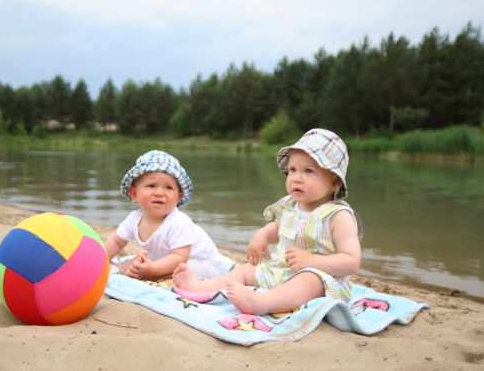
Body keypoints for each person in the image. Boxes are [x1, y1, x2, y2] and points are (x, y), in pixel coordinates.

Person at [173, 128, 362, 315]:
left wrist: (312, 261)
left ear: (334, 182)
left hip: (321, 279)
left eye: (308, 171)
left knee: (309, 280)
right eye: (292, 170)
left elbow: (351, 261)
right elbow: (280, 227)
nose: (296, 178)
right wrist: (262, 234)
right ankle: (202, 287)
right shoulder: (291, 206)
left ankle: (261, 302)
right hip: (282, 271)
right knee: (247, 270)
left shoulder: (338, 216)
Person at [104, 150, 229, 281]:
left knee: (176, 270)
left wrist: (153, 270)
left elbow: (180, 256)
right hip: (163, 258)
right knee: (135, 263)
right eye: (151, 186)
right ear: (134, 193)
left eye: (168, 188)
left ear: (178, 197)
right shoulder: (134, 219)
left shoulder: (178, 222)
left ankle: (151, 274)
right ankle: (116, 269)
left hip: (201, 263)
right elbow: (116, 242)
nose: (159, 193)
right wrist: (102, 259)